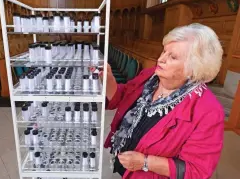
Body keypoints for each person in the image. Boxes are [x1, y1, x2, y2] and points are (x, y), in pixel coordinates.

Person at [96, 23, 224, 179]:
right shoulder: (151, 76)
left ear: (194, 68)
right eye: (164, 51)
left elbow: (195, 171)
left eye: (173, 57)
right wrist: (108, 78)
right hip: (125, 165)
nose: (160, 59)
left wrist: (145, 162)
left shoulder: (208, 111)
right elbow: (123, 97)